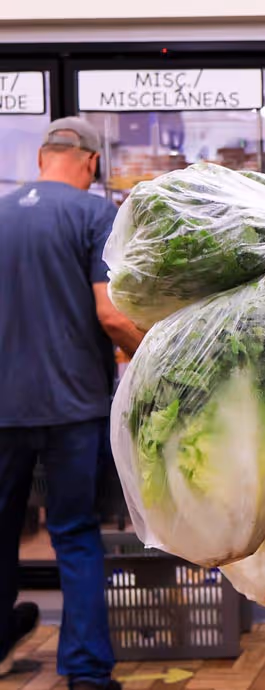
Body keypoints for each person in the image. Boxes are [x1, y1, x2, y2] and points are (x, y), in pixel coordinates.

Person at [0, 117, 144, 690]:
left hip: (3, 408)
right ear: (88, 162)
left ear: (42, 158)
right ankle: (85, 672)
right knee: (75, 533)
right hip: (73, 408)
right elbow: (110, 313)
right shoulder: (93, 215)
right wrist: (156, 358)